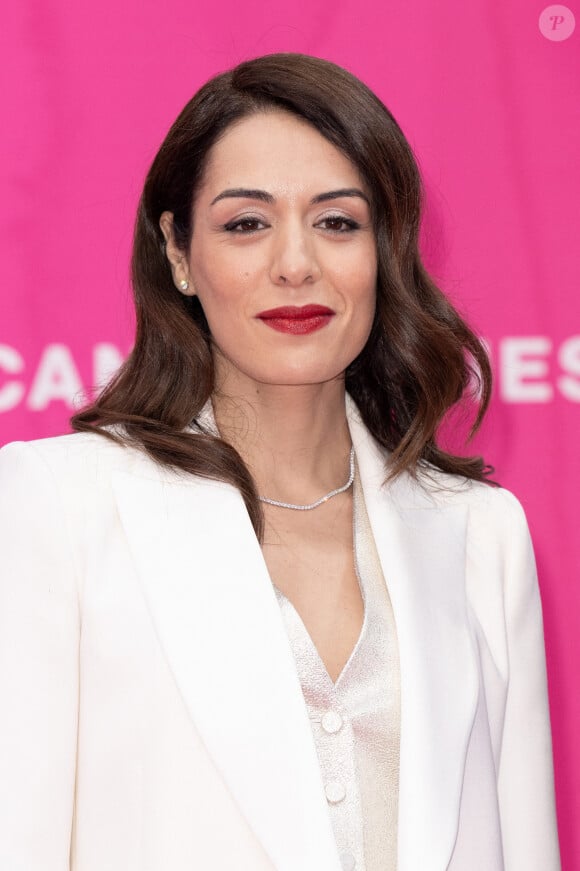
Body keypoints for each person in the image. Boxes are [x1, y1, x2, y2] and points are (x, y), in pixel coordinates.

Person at [0, 53, 560, 871]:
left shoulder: (481, 535)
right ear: (179, 252)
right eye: (246, 224)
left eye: (337, 222)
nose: (295, 264)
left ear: (386, 250)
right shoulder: (57, 506)